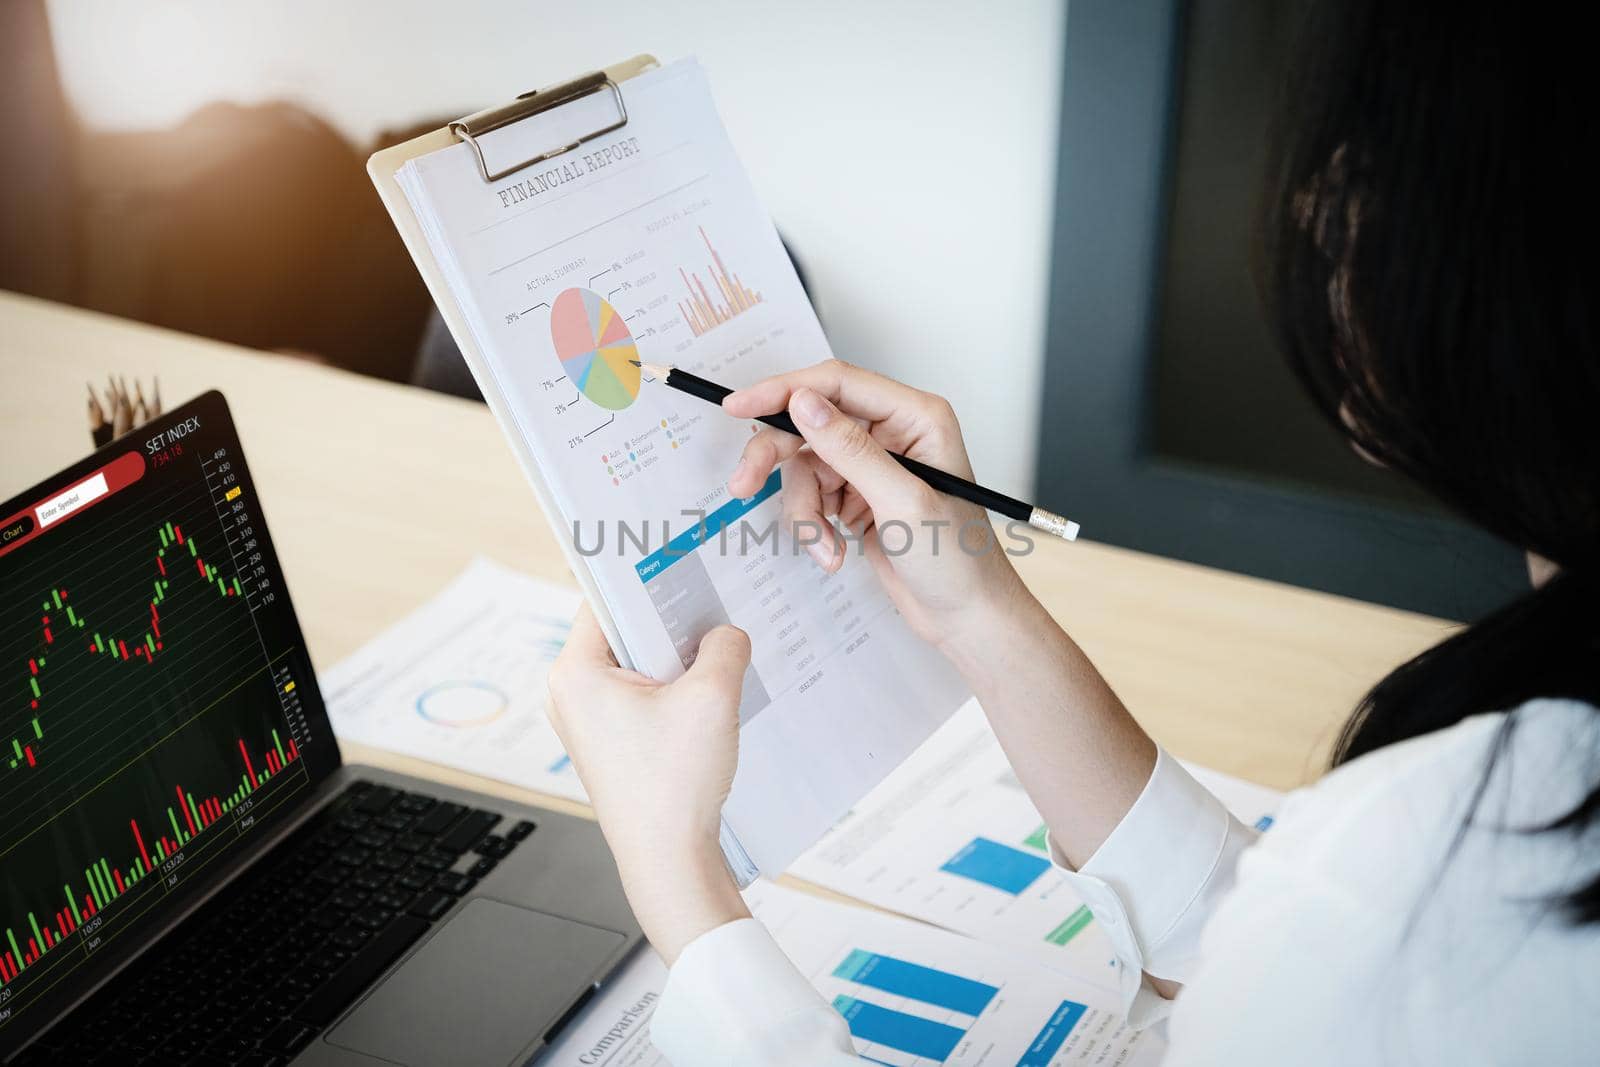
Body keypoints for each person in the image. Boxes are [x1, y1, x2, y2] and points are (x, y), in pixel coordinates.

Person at [546, 3, 1600, 1063]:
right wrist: (982, 610)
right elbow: (1267, 956)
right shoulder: (1420, 891)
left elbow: (1342, 960)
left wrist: (677, 872)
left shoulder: (1447, 879)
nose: (1317, 205)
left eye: (1365, 160)